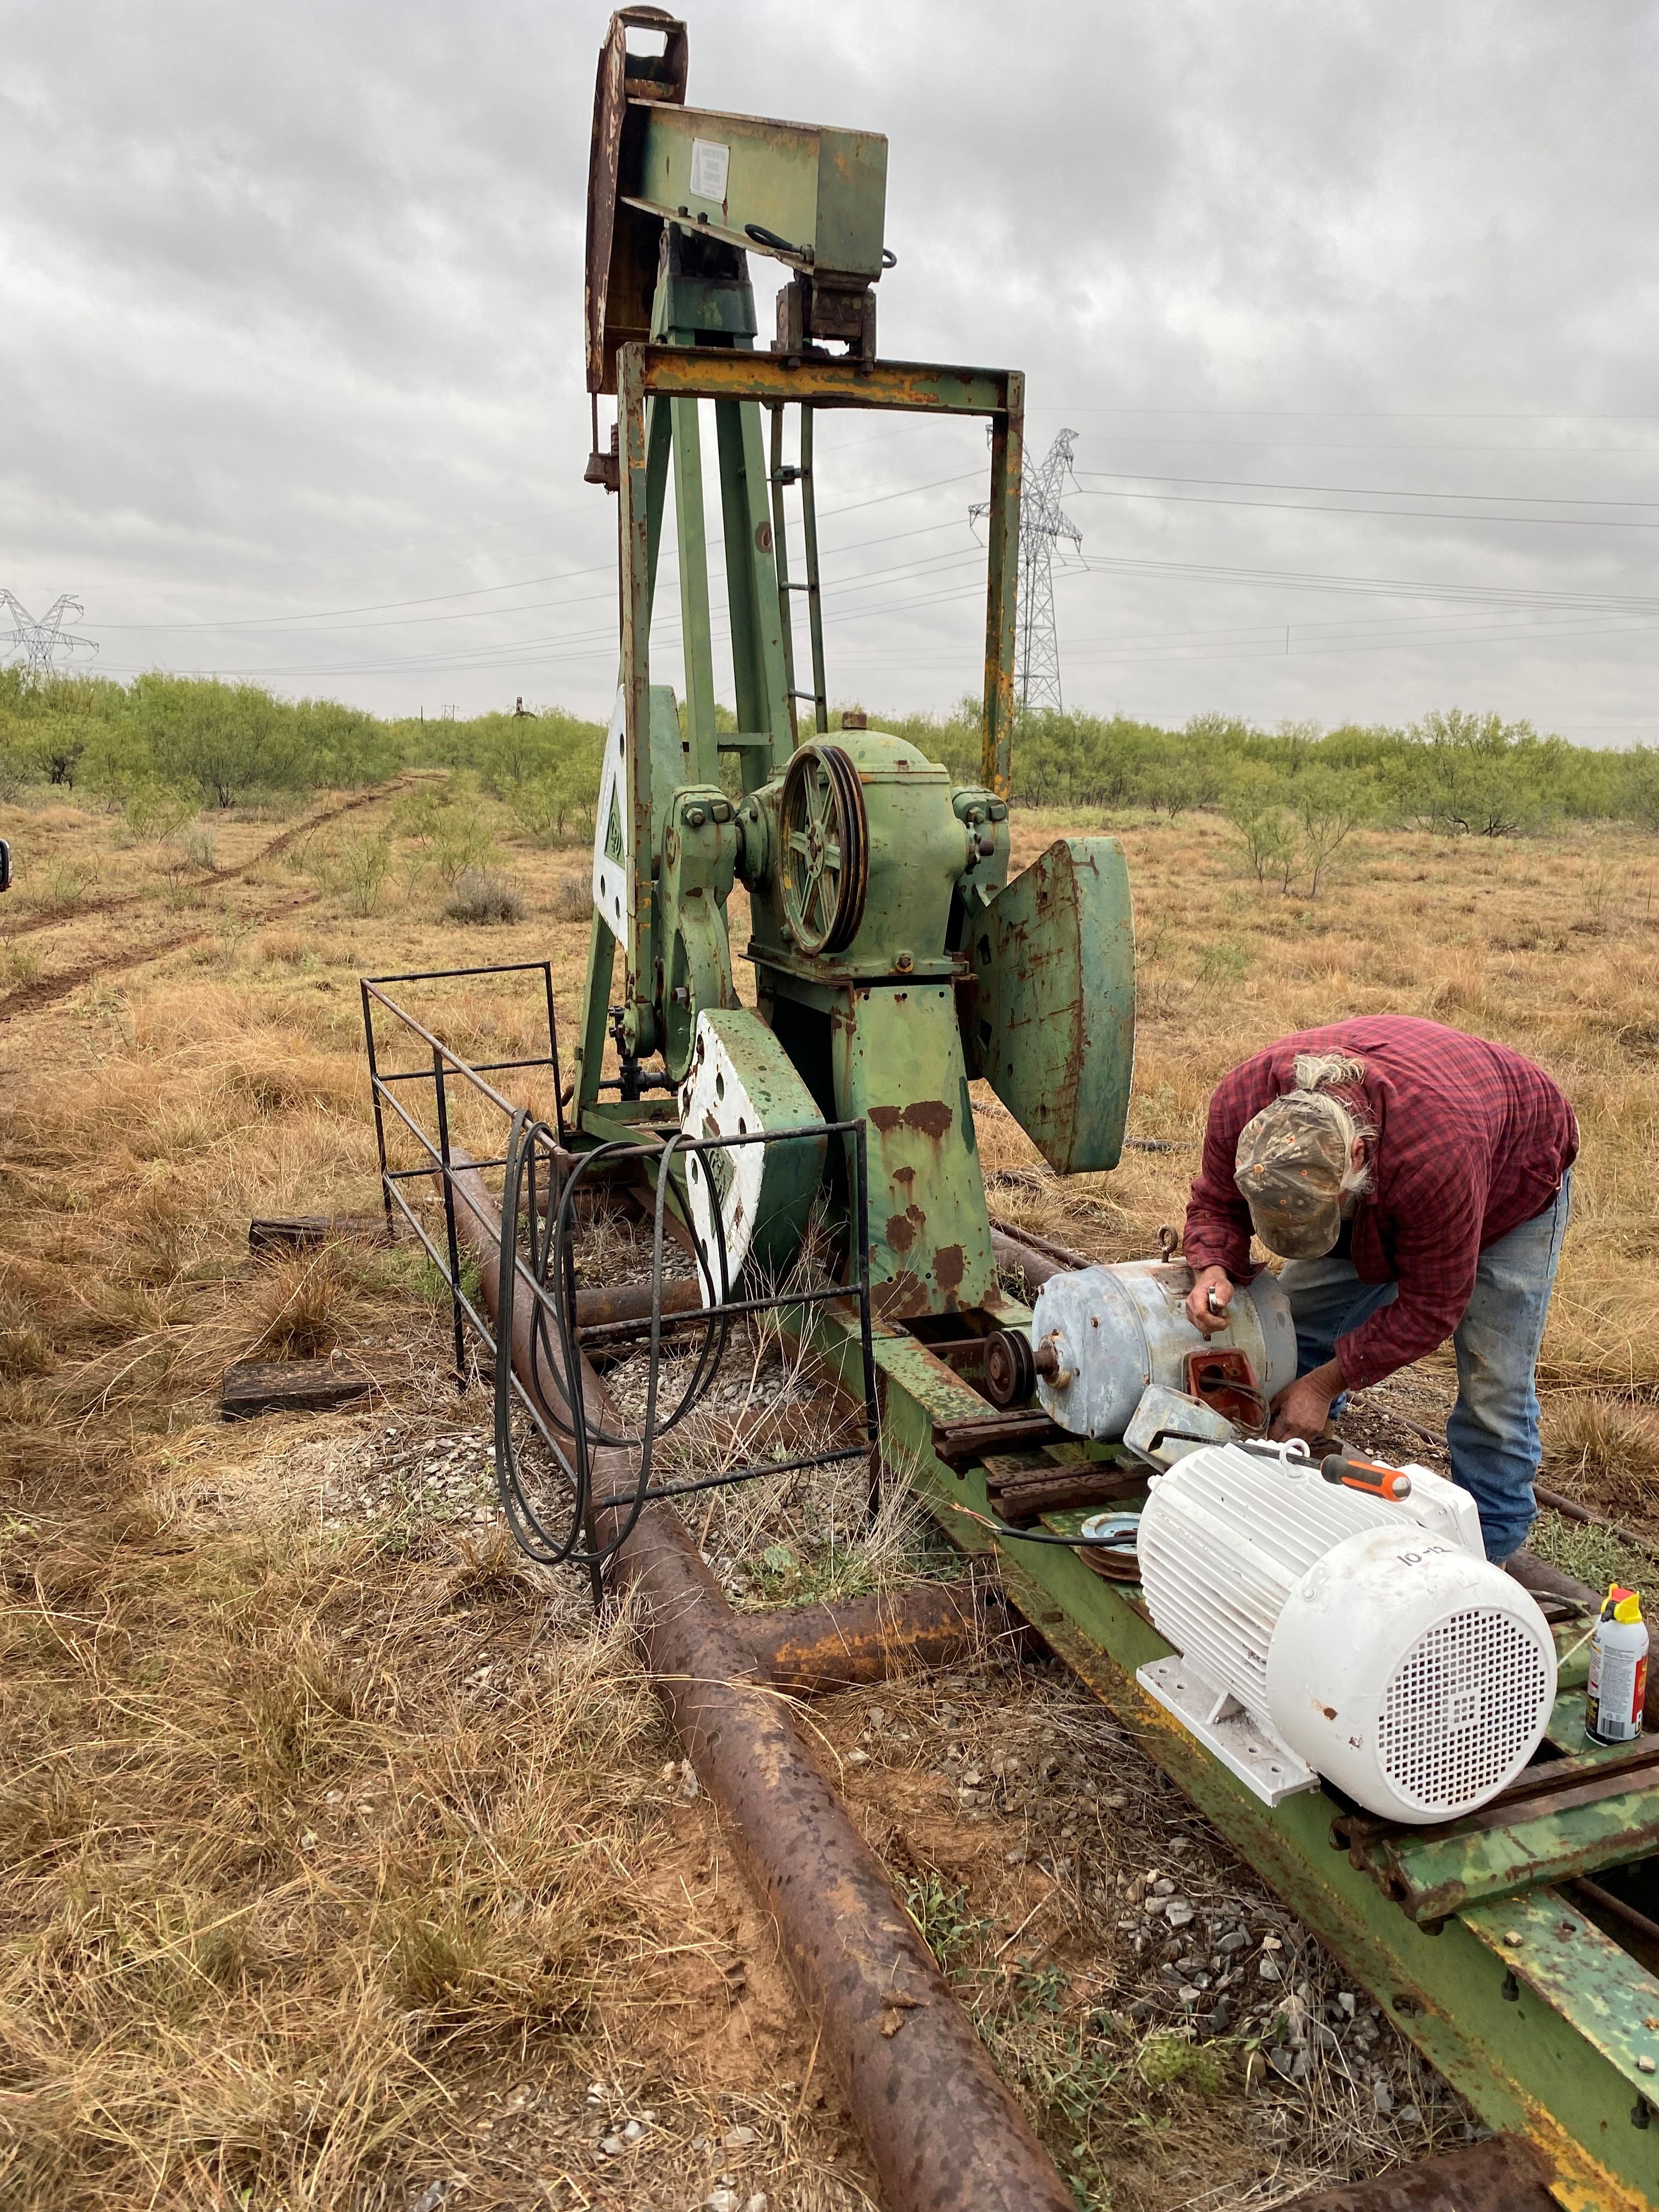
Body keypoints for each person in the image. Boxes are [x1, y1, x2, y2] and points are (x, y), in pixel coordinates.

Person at [1181, 1014, 1577, 1569]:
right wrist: (1214, 1267)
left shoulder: (1435, 1158)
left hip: (1512, 1178)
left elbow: (1431, 1306)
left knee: (1495, 1391)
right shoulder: (1240, 1102)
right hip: (1401, 1172)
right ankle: (1294, 1480)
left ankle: (1488, 1560)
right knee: (1293, 1333)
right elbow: (1215, 1204)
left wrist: (1322, 1386)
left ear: (1358, 1159)